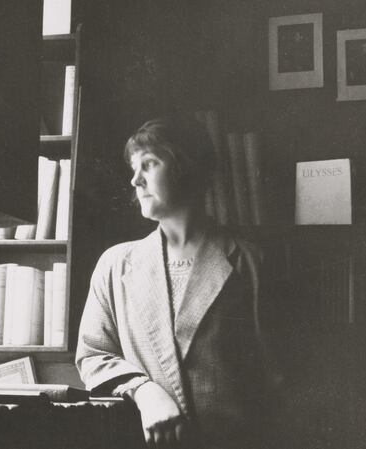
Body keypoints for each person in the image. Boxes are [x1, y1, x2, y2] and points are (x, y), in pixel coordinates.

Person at [76, 116, 282, 449]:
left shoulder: (250, 261)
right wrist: (145, 392)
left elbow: (279, 377)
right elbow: (93, 356)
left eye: (149, 164)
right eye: (133, 167)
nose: (135, 180)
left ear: (186, 167)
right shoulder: (115, 265)